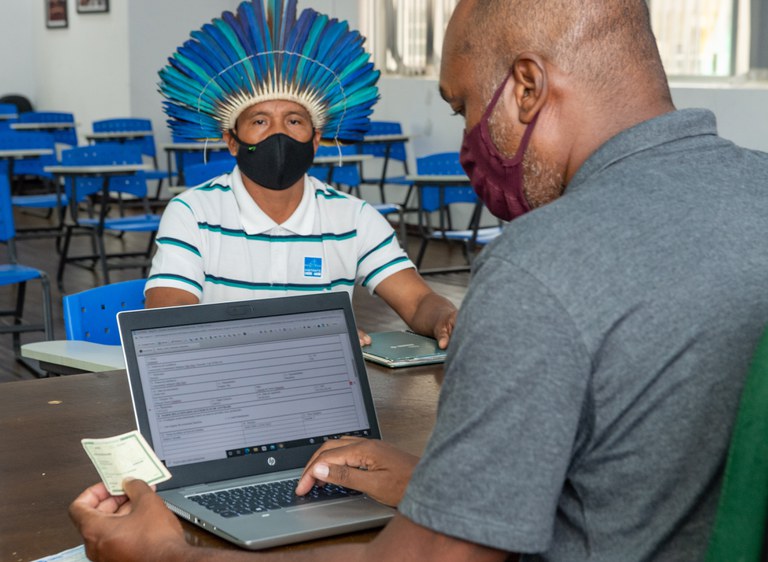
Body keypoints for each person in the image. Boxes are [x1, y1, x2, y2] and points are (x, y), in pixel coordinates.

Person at [70, 0, 768, 560]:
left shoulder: (537, 266)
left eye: (464, 107)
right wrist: (438, 484)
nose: (467, 139)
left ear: (526, 87)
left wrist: (166, 556)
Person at [144, 0, 456, 347]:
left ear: (316, 138)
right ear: (232, 141)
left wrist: (445, 318)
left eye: (294, 121)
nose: (279, 134)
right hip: (225, 388)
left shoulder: (353, 218)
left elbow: (417, 301)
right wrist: (306, 332)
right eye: (260, 121)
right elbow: (168, 314)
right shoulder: (193, 213)